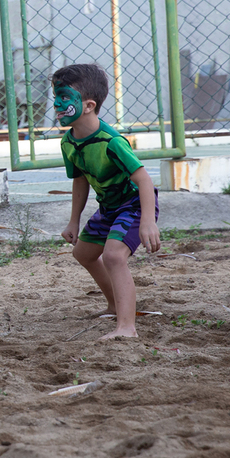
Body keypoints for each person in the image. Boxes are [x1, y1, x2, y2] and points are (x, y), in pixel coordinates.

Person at [54, 63, 160, 339]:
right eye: (55, 95)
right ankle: (114, 305)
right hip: (109, 207)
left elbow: (144, 180)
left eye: (65, 97)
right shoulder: (69, 143)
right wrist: (73, 220)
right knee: (84, 254)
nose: (56, 103)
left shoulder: (111, 142)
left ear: (88, 105)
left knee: (113, 256)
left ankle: (127, 327)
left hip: (134, 204)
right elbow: (80, 179)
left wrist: (147, 221)